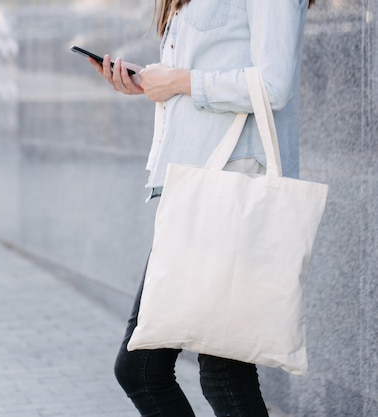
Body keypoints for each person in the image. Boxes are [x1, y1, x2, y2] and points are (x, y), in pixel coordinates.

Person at [87, 0, 316, 416]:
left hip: (231, 190)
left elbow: (273, 84)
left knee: (188, 372)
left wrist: (177, 80)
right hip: (196, 191)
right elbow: (209, 68)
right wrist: (151, 82)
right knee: (170, 370)